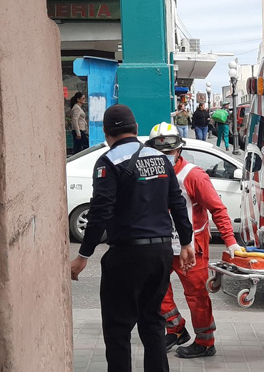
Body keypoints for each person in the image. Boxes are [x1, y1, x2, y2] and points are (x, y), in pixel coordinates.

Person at [70, 105, 196, 372]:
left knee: (118, 328)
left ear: (106, 133)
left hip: (126, 256)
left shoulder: (108, 162)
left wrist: (83, 255)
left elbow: (101, 211)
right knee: (153, 322)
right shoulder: (161, 158)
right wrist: (186, 242)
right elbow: (177, 202)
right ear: (136, 129)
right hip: (161, 253)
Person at [144, 122, 243, 359]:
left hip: (191, 247)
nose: (164, 157)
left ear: (178, 150)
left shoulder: (193, 176)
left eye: (169, 152)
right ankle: (175, 329)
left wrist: (230, 241)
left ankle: (205, 342)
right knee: (153, 288)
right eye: (159, 152)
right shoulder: (151, 174)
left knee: (197, 295)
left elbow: (217, 209)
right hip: (161, 245)